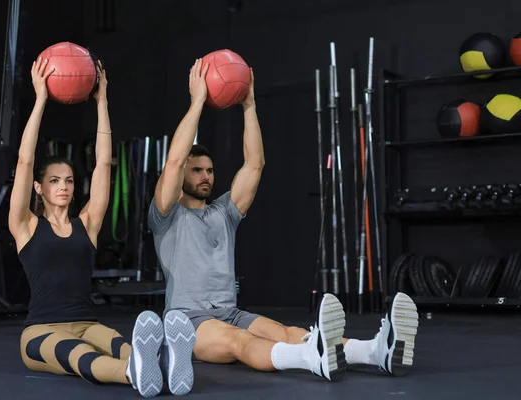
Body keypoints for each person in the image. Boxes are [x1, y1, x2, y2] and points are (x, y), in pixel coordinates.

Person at [148, 58, 420, 381]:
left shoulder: (224, 212)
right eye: (197, 171)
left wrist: (249, 104)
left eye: (209, 170)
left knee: (286, 331)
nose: (206, 176)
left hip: (230, 312)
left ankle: (376, 351)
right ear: (182, 178)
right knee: (241, 342)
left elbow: (254, 165)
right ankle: (311, 357)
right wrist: (198, 102)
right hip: (187, 321)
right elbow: (175, 160)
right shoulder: (165, 214)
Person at [8, 56, 196, 398]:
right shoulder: (25, 226)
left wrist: (102, 102)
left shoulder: (88, 224)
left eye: (68, 180)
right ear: (39, 188)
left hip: (88, 323)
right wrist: (40, 100)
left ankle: (164, 364)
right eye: (53, 181)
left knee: (122, 344)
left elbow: (103, 168)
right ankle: (133, 374)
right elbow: (24, 160)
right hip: (40, 331)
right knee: (81, 357)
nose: (63, 186)